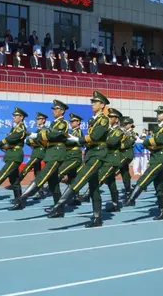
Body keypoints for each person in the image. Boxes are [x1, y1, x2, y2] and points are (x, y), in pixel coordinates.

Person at [46, 91, 110, 228]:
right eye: (92, 102)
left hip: (98, 155)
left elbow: (95, 137)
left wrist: (77, 139)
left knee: (80, 179)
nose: (92, 104)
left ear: (102, 104)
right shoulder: (94, 119)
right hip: (91, 153)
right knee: (93, 188)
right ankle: (97, 218)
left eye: (95, 102)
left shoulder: (103, 119)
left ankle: (58, 206)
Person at [10, 100, 68, 210]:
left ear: (62, 111)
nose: (53, 111)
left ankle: (23, 197)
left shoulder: (63, 123)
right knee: (53, 184)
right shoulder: (53, 123)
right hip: (50, 154)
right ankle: (59, 209)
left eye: (56, 109)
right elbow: (46, 137)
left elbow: (52, 135)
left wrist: (38, 135)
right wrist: (35, 136)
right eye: (53, 109)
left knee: (42, 175)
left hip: (56, 154)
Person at [125, 106, 163, 221]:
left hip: (162, 157)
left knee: (147, 176)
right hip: (157, 156)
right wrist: (145, 142)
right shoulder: (158, 128)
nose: (158, 115)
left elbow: (159, 140)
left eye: (160, 113)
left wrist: (143, 141)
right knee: (159, 186)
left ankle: (132, 198)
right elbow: (152, 143)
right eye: (157, 113)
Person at [76, 108, 124, 212]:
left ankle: (87, 195)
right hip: (105, 158)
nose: (109, 118)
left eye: (112, 117)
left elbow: (111, 142)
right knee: (111, 183)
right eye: (109, 116)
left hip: (112, 159)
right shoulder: (106, 129)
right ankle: (115, 204)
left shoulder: (118, 131)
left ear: (116, 120)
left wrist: (99, 139)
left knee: (100, 179)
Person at [17, 112, 48, 199]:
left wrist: (34, 141)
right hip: (35, 152)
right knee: (37, 173)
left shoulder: (44, 130)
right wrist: (33, 141)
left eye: (39, 119)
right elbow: (28, 141)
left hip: (40, 153)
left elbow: (42, 140)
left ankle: (17, 181)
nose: (37, 121)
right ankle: (40, 191)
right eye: (37, 119)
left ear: (43, 120)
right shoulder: (37, 130)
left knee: (28, 167)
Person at [58, 113, 84, 205]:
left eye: (73, 121)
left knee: (61, 172)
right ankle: (75, 197)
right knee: (72, 178)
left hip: (74, 155)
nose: (71, 123)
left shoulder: (77, 132)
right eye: (71, 121)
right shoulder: (71, 131)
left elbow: (74, 142)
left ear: (78, 122)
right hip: (69, 155)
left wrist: (64, 140)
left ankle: (52, 190)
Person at [118, 117, 136, 197]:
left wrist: (119, 146)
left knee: (116, 169)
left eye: (127, 124)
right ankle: (128, 189)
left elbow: (129, 143)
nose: (125, 126)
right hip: (122, 154)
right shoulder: (123, 131)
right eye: (125, 124)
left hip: (128, 153)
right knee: (124, 172)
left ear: (131, 124)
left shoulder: (132, 133)